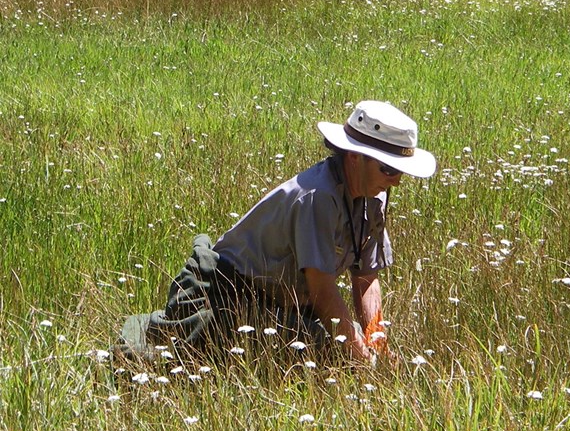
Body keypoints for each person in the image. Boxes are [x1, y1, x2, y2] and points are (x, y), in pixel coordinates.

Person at [116, 101, 436, 364]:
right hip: (228, 294)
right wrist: (360, 357)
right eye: (389, 169)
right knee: (325, 351)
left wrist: (374, 342)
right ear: (355, 156)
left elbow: (366, 278)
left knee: (346, 342)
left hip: (286, 304)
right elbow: (323, 290)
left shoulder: (373, 197)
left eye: (401, 172)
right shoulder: (317, 196)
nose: (396, 180)